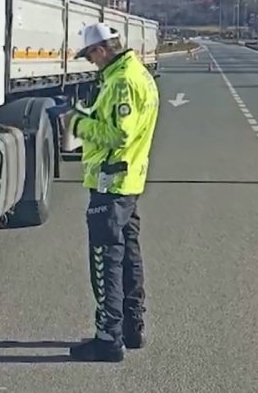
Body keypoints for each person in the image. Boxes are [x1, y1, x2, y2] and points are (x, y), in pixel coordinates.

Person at [61, 22, 161, 362]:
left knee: (106, 260)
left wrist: (76, 123)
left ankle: (108, 338)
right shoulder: (138, 73)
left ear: (103, 49)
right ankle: (132, 328)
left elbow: (118, 135)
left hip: (111, 182)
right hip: (128, 181)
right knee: (129, 257)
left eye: (91, 56)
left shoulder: (120, 82)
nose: (91, 63)